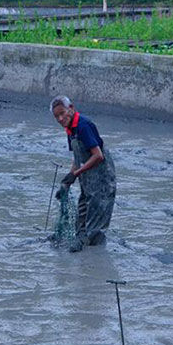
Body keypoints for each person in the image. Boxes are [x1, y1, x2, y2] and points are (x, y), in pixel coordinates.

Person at [51, 95, 116, 249]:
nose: (60, 119)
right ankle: (84, 244)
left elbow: (98, 156)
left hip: (102, 178)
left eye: (62, 113)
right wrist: (68, 180)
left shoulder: (83, 125)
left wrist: (76, 173)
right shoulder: (70, 129)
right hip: (88, 179)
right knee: (83, 212)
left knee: (96, 217)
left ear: (71, 109)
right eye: (56, 116)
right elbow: (78, 157)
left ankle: (92, 254)